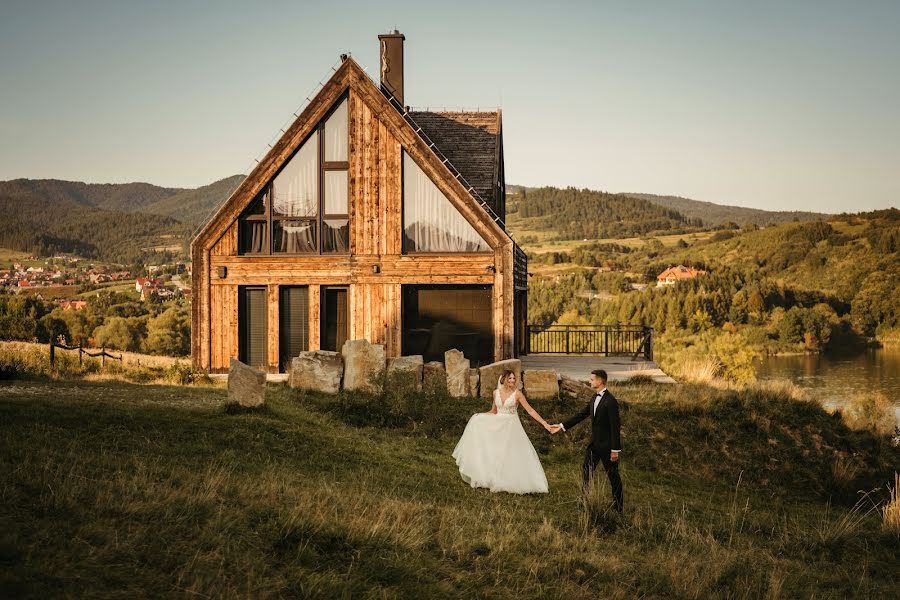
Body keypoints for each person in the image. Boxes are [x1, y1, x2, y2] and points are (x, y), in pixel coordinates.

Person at [452, 370, 553, 494]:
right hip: (497, 425)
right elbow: (494, 411)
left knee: (511, 454)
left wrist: (545, 424)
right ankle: (493, 478)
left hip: (511, 427)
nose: (512, 381)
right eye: (510, 378)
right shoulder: (496, 393)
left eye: (513, 379)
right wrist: (480, 415)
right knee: (495, 452)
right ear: (504, 379)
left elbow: (530, 410)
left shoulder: (517, 394)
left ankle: (514, 481)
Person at [549, 369, 623, 512]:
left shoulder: (611, 401)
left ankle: (618, 507)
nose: (590, 381)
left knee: (613, 476)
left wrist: (615, 449)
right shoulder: (594, 398)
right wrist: (562, 426)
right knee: (586, 471)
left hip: (608, 447)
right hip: (594, 445)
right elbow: (581, 415)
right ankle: (585, 500)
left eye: (592, 379)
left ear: (600, 381)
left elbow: (615, 426)